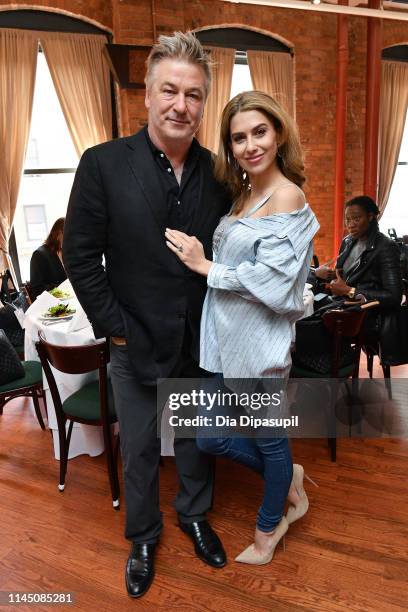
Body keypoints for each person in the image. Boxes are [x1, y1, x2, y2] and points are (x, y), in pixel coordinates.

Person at [62, 32, 230, 599]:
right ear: (148, 97)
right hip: (131, 342)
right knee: (135, 448)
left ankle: (195, 516)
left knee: (196, 441)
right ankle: (143, 537)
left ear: (204, 102)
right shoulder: (103, 164)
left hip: (198, 342)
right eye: (170, 91)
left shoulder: (219, 172)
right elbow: (80, 258)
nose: (181, 105)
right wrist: (116, 327)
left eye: (194, 95)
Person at [165, 91, 320, 565]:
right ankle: (284, 476)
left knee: (270, 441)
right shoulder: (244, 194)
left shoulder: (288, 196)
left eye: (259, 132)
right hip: (221, 344)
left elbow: (273, 285)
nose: (250, 145)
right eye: (238, 138)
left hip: (259, 351)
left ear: (278, 135)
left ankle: (268, 530)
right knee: (210, 435)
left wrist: (204, 266)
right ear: (229, 147)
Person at [313, 196, 402, 363]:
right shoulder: (348, 242)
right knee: (308, 312)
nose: (351, 224)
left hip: (368, 315)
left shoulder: (386, 247)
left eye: (356, 218)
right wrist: (329, 275)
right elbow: (349, 275)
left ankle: (330, 368)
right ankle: (326, 367)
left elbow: (394, 296)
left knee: (316, 325)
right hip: (344, 305)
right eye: (348, 219)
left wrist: (350, 291)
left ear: (370, 217)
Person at [29, 217, 66, 299]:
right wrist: (63, 289)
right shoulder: (39, 254)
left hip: (66, 298)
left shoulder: (67, 252)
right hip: (50, 303)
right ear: (58, 234)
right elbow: (37, 288)